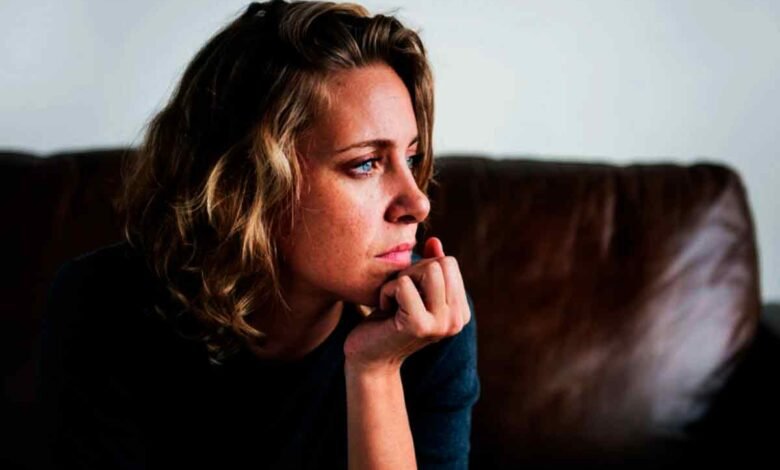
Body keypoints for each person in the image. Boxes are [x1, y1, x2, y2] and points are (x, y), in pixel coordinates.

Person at [40, 1, 479, 468]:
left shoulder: (428, 323)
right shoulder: (103, 306)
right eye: (365, 164)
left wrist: (375, 370)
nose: (418, 203)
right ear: (249, 183)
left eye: (411, 158)